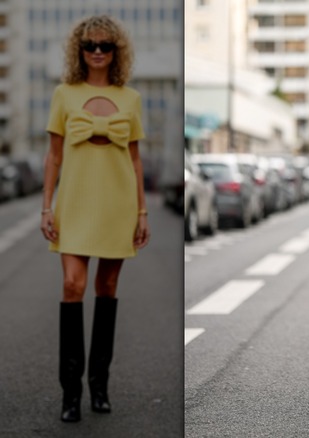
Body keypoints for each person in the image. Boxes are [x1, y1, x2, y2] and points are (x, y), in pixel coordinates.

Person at [41, 15, 149, 422]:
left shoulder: (131, 99)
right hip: (75, 202)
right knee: (73, 284)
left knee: (107, 286)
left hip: (118, 203)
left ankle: (98, 387)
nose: (98, 52)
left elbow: (136, 161)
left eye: (106, 45)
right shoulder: (64, 94)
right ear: (79, 50)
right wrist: (45, 206)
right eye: (90, 45)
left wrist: (142, 213)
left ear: (116, 51)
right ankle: (70, 393)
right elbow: (53, 156)